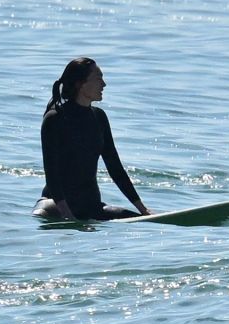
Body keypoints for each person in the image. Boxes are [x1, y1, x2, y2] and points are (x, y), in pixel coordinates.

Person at [34, 57, 149, 222]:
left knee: (138, 221)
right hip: (54, 206)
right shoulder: (55, 118)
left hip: (91, 206)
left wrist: (143, 210)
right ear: (80, 83)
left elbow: (115, 168)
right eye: (98, 78)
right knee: (39, 216)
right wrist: (67, 215)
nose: (104, 84)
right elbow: (51, 174)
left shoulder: (99, 117)